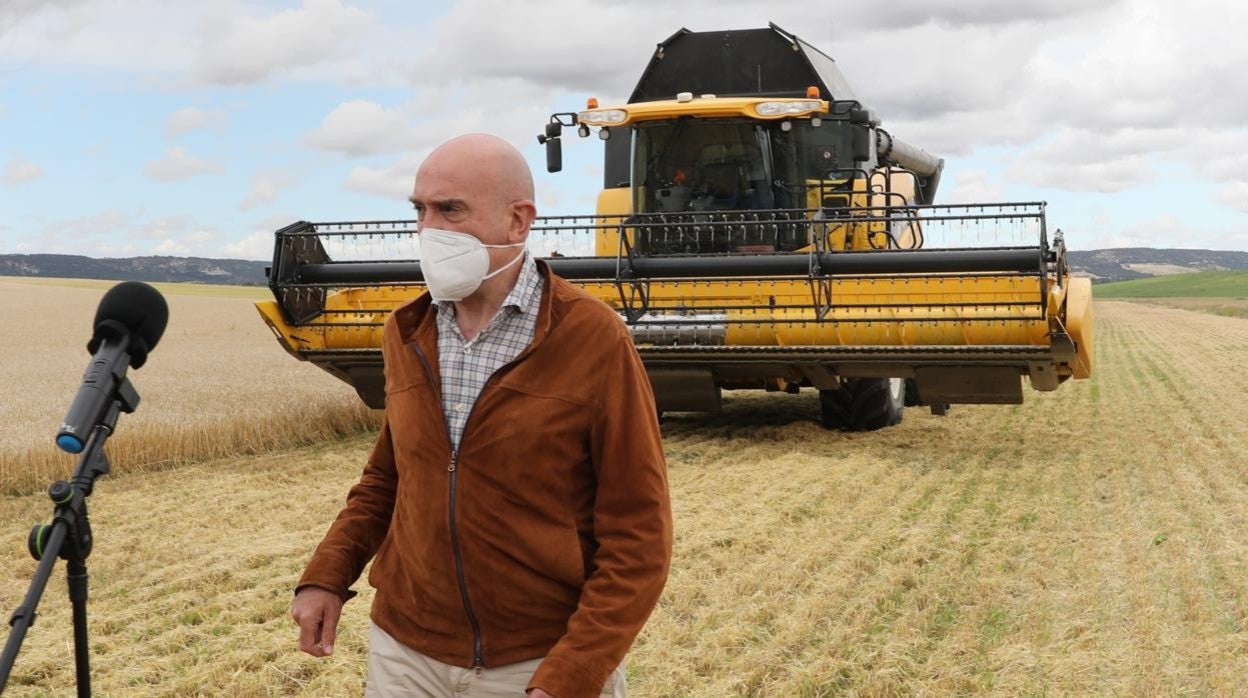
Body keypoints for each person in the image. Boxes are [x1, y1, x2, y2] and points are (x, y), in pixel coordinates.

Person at [290, 133, 673, 698]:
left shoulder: (593, 339)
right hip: (406, 650)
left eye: (450, 210)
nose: (428, 229)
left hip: (534, 661)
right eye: (419, 210)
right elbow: (389, 479)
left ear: (518, 222)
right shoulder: (407, 331)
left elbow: (639, 533)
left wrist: (572, 673)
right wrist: (326, 576)